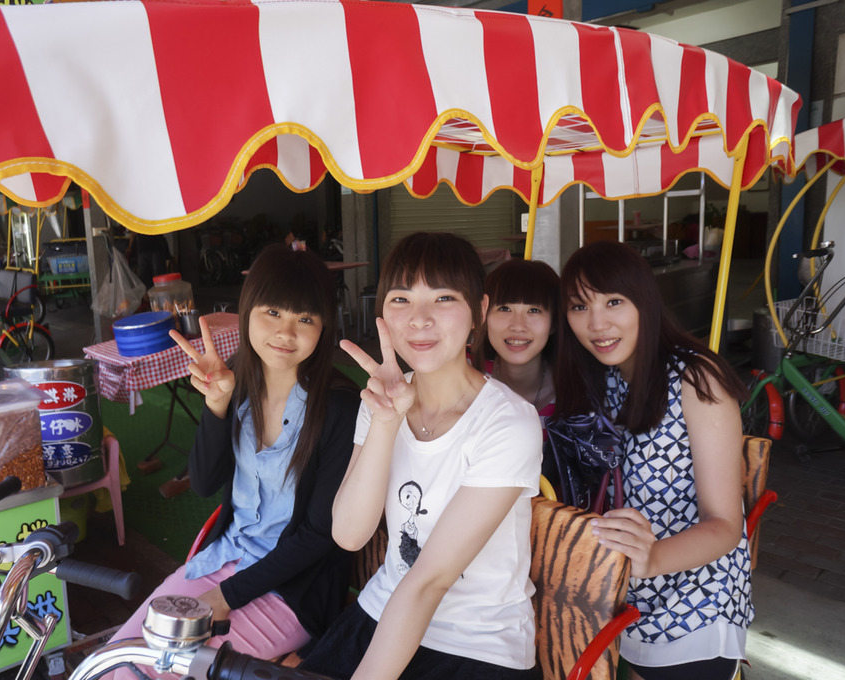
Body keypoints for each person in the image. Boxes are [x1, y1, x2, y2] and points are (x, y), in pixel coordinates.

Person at [107, 244, 360, 675]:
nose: (286, 333)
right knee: (119, 660)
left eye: (305, 319)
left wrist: (226, 597)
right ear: (247, 312)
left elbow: (320, 535)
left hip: (292, 590)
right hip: (223, 559)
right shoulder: (236, 381)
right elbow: (205, 483)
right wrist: (217, 406)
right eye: (273, 313)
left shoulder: (339, 407)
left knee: (166, 670)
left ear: (323, 327)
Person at [301, 231, 543, 680]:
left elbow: (431, 580)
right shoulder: (382, 399)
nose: (419, 319)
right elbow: (349, 534)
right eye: (401, 300)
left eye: (444, 298)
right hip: (383, 608)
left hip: (477, 643)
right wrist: (386, 422)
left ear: (480, 312)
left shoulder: (508, 423)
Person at [553, 240, 752, 680]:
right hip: (621, 597)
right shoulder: (603, 378)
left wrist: (652, 559)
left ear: (645, 301)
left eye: (614, 302)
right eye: (580, 306)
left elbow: (725, 524)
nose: (597, 323)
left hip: (697, 603)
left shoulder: (697, 380)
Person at [470, 258, 559, 418]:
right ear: (484, 315)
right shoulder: (462, 368)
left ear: (554, 323)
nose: (518, 326)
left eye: (534, 310)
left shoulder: (580, 388)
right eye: (504, 309)